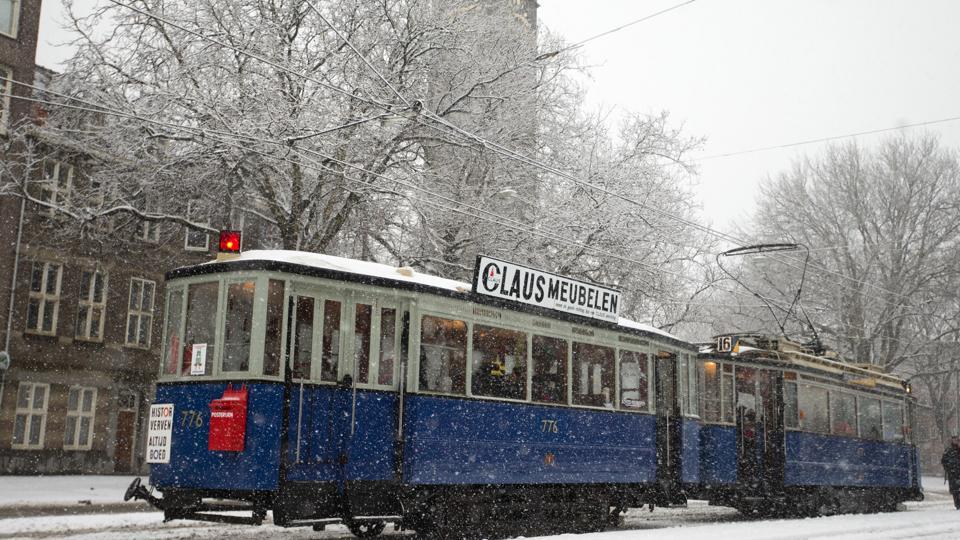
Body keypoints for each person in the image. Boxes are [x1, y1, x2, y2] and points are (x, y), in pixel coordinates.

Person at [942, 436, 960, 509]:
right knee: (955, 491)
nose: (956, 442)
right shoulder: (949, 451)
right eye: (955, 440)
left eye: (957, 440)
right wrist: (949, 469)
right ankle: (958, 505)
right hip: (953, 475)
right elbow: (944, 461)